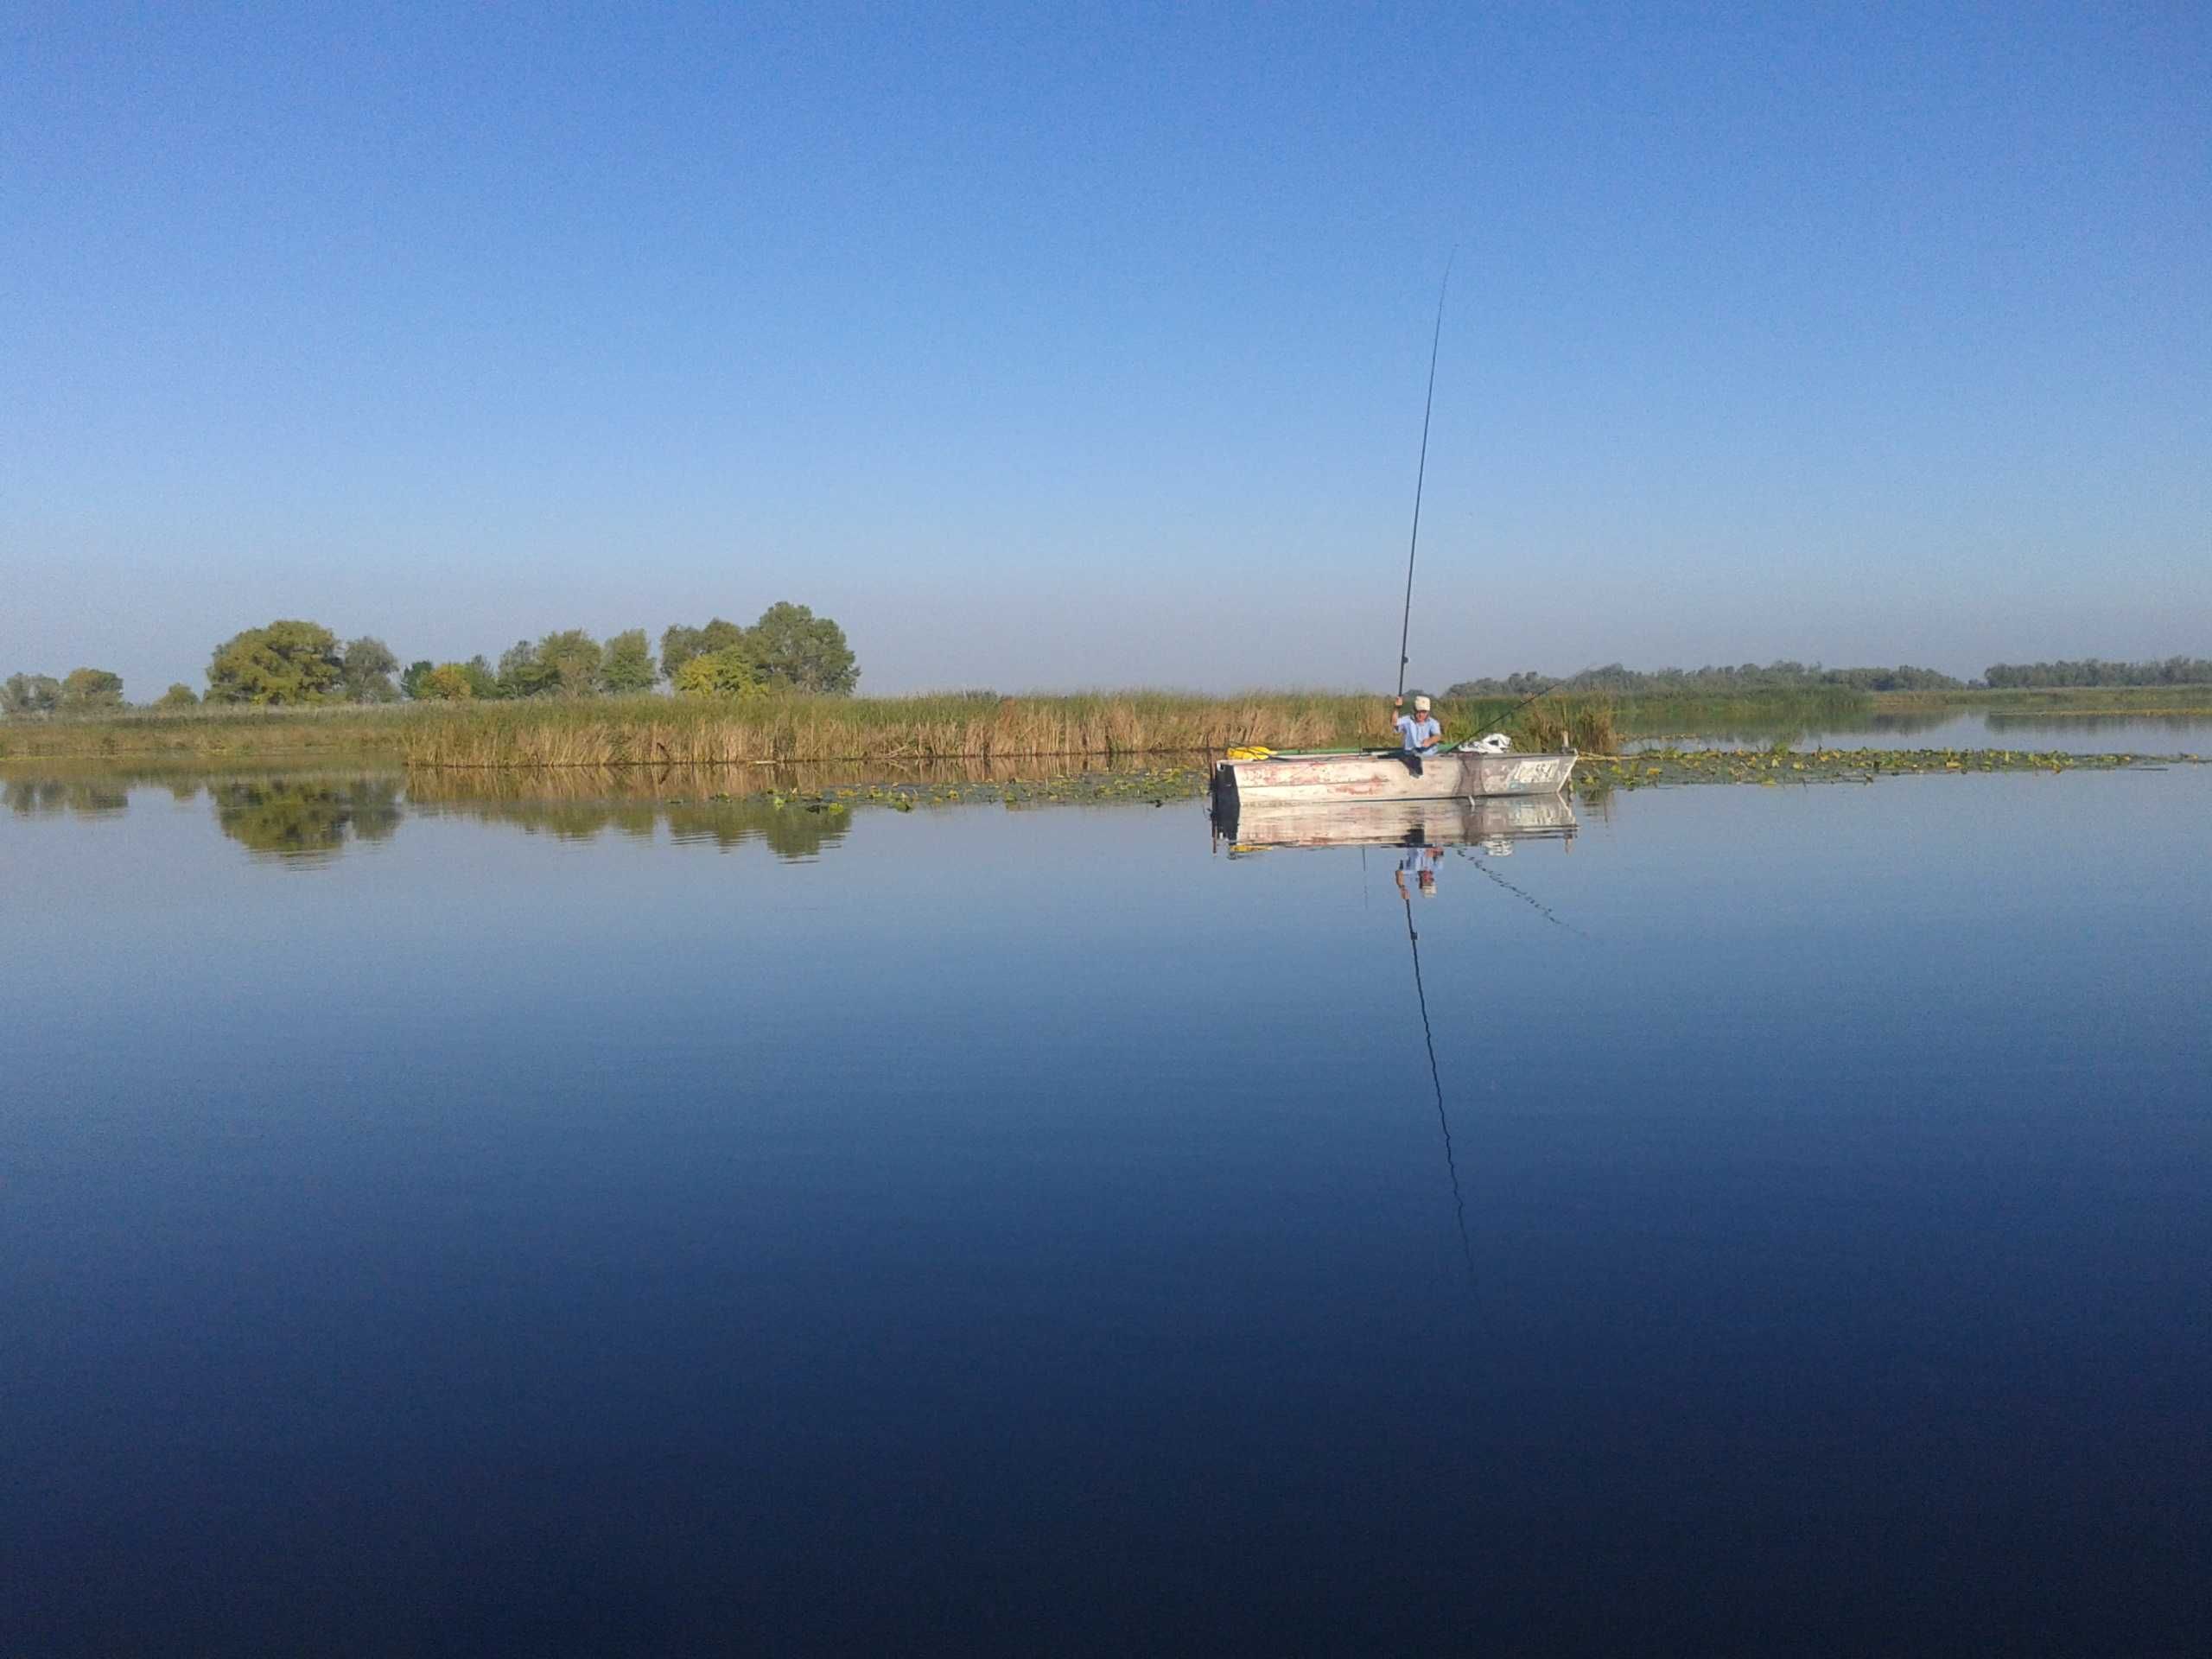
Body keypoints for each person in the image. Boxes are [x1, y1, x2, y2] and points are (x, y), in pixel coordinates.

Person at [1392, 695, 1442, 775]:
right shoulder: (1407, 719)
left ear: (1428, 712)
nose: (1421, 715)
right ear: (1414, 710)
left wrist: (1430, 741)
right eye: (1418, 711)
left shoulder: (1433, 722)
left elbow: (1438, 736)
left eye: (1424, 712)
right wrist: (1397, 708)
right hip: (1410, 753)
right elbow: (1394, 722)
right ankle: (1415, 766)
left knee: (1419, 758)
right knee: (1408, 755)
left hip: (1427, 755)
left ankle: (1418, 766)